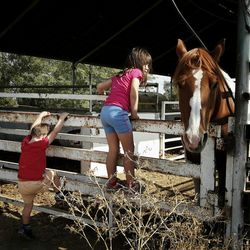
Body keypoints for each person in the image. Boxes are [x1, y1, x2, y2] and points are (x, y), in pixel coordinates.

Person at [97, 47, 152, 192]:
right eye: (145, 64)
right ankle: (131, 185)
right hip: (118, 113)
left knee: (113, 149)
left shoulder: (119, 75)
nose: (147, 67)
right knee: (129, 151)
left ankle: (111, 182)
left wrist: (103, 92)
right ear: (138, 63)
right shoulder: (136, 72)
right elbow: (134, 91)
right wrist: (134, 113)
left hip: (105, 112)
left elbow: (99, 86)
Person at [17, 111, 69, 240]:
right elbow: (55, 132)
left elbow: (32, 129)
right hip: (36, 183)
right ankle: (59, 195)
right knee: (53, 174)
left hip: (22, 184)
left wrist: (40, 116)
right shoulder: (42, 144)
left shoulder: (25, 142)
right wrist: (61, 119)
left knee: (28, 206)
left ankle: (25, 227)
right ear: (43, 136)